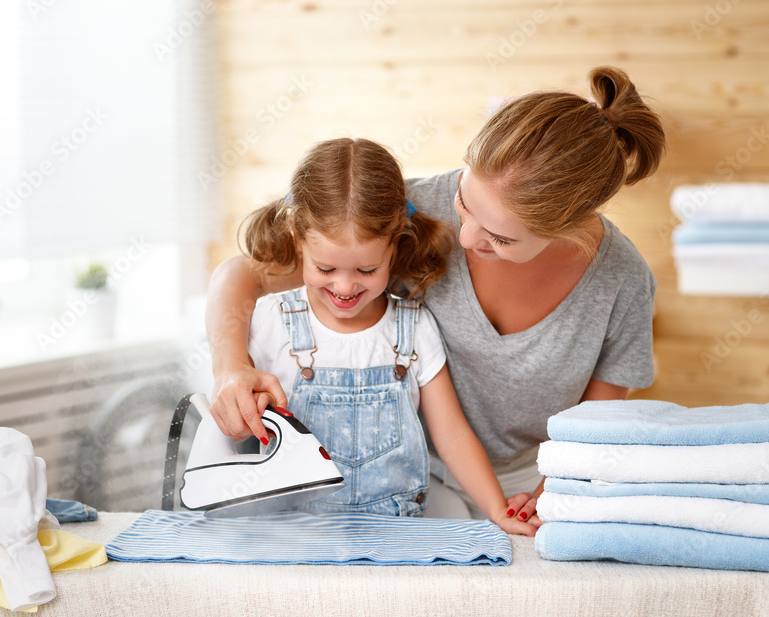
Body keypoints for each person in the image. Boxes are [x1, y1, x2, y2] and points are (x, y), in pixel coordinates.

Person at [206, 66, 665, 527]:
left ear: (568, 230)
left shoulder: (622, 280)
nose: (464, 239)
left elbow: (596, 418)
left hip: (536, 477)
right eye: (465, 203)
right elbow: (240, 276)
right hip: (408, 473)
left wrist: (553, 489)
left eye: (500, 240)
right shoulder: (410, 213)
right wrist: (229, 367)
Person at [233, 137, 535, 534]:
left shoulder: (415, 327)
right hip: (293, 535)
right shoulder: (270, 320)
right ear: (296, 238)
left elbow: (452, 435)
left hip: (397, 535)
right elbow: (236, 422)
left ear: (395, 246)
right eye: (326, 269)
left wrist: (497, 510)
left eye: (366, 270)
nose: (345, 287)